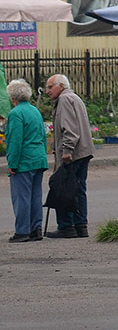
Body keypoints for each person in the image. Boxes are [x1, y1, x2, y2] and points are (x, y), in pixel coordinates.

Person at [44, 74, 95, 239]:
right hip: (83, 151)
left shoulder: (65, 100)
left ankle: (66, 227)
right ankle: (81, 225)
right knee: (79, 189)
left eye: (50, 87)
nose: (47, 91)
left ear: (60, 85)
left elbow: (70, 129)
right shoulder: (74, 97)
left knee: (64, 189)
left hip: (73, 153)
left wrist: (67, 150)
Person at [6, 79, 49, 242]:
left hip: (24, 161)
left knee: (21, 197)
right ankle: (35, 229)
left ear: (12, 97)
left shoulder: (15, 114)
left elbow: (15, 141)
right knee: (35, 196)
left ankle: (22, 231)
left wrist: (13, 164)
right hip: (38, 159)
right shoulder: (34, 110)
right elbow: (43, 136)